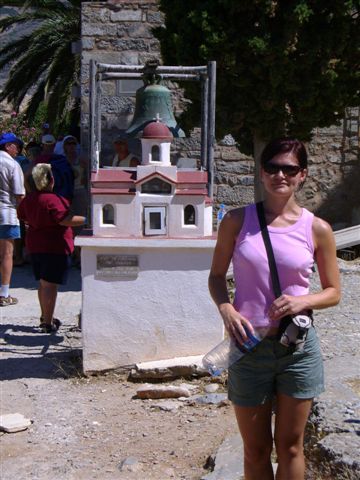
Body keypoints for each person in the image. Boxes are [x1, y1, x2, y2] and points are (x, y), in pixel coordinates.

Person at [208, 138, 341, 480]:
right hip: (249, 346)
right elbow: (216, 276)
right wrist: (226, 309)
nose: (280, 174)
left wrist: (303, 300)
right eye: (272, 167)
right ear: (261, 172)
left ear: (302, 175)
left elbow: (333, 292)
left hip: (296, 347)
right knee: (255, 450)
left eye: (289, 168)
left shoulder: (318, 229)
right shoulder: (237, 221)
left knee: (291, 446)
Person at [17, 163, 86, 333]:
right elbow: (64, 219)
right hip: (53, 246)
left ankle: (45, 315)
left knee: (43, 284)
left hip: (35, 245)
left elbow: (22, 216)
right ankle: (47, 323)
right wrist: (86, 219)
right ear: (50, 180)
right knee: (50, 286)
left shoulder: (29, 199)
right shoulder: (52, 200)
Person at [0, 132, 25, 306]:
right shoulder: (12, 164)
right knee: (7, 254)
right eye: (16, 146)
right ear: (8, 146)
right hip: (6, 214)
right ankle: (4, 294)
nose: (18, 150)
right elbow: (19, 194)